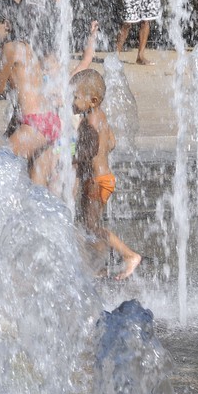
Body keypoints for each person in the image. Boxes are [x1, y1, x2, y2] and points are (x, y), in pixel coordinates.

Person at [0, 20, 99, 189]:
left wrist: (92, 37)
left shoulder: (66, 82)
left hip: (52, 136)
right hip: (51, 130)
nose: (49, 70)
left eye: (53, 66)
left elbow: (85, 61)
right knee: (38, 183)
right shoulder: (40, 79)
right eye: (46, 67)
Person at [73, 69, 142, 279]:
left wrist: (70, 154)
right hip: (105, 178)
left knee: (91, 225)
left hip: (95, 182)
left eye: (75, 97)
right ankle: (98, 265)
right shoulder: (101, 117)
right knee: (88, 223)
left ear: (92, 100)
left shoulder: (89, 122)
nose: (71, 101)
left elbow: (90, 149)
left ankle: (129, 255)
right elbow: (111, 142)